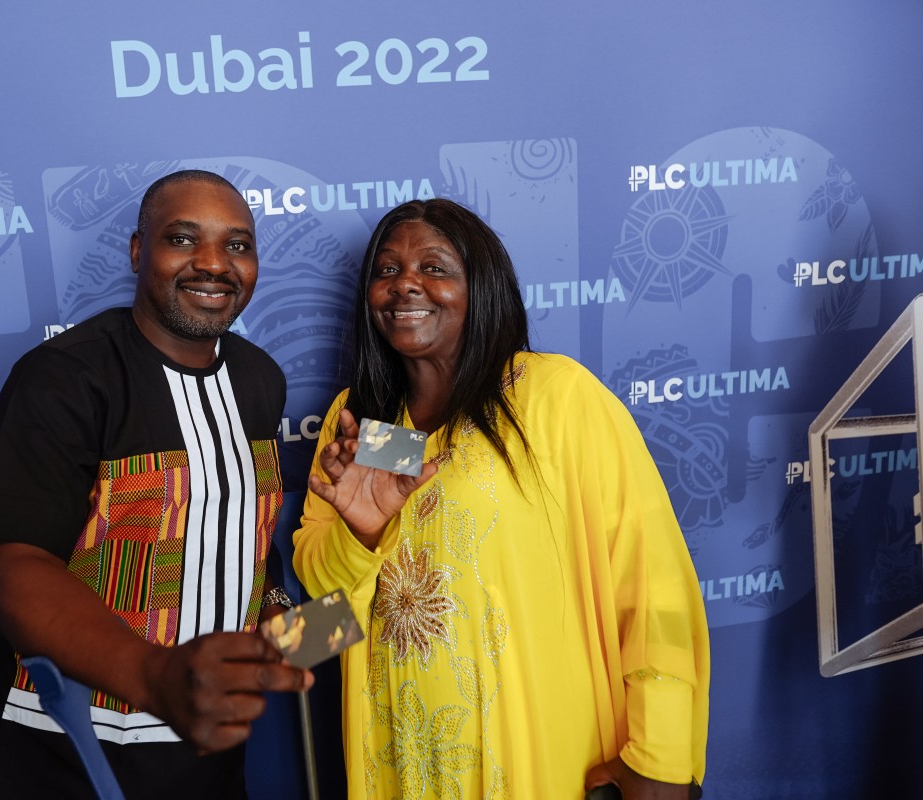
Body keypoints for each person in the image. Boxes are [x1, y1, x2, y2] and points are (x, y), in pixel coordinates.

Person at [292, 199, 709, 799]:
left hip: (542, 756)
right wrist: (360, 536)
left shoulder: (552, 396)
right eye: (386, 270)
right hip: (399, 758)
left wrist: (661, 759)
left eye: (434, 267)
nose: (405, 283)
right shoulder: (365, 420)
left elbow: (650, 584)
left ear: (481, 287)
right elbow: (327, 614)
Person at [0, 170, 312, 799]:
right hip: (65, 746)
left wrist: (295, 631)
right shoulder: (64, 378)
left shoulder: (260, 378)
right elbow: (18, 572)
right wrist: (157, 675)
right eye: (182, 239)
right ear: (139, 250)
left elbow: (241, 539)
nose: (213, 263)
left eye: (237, 245)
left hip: (206, 752)